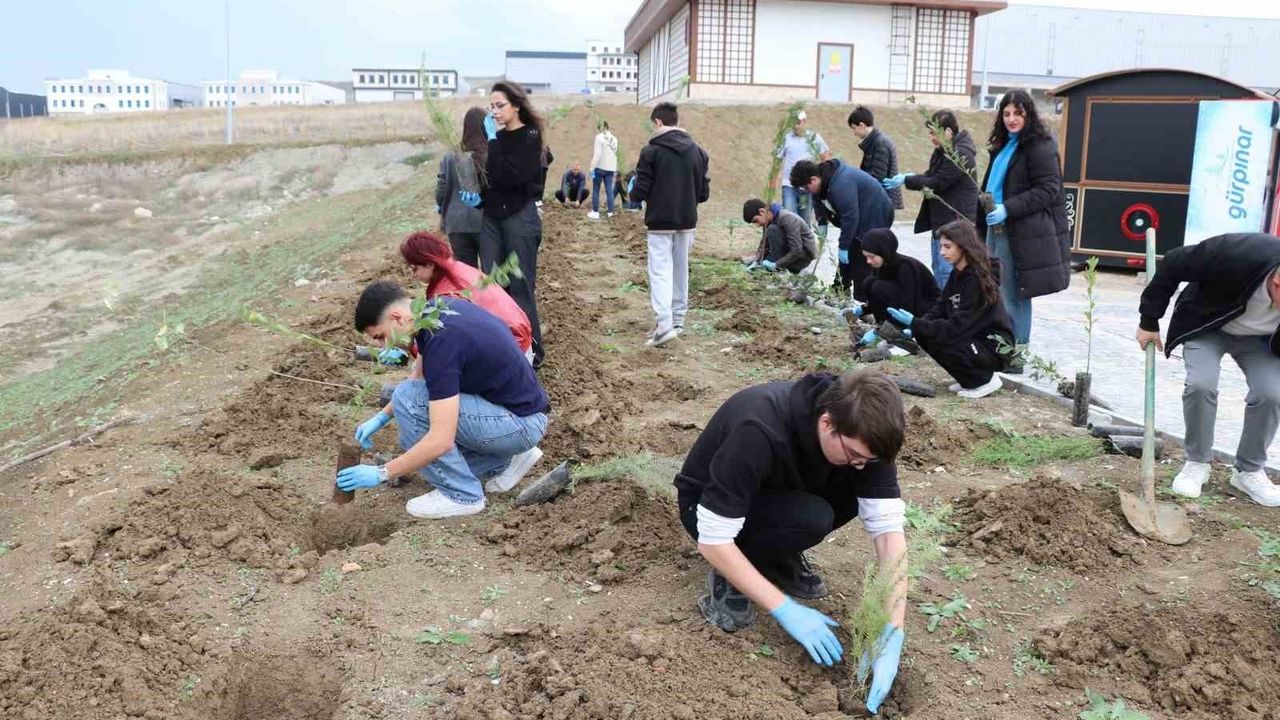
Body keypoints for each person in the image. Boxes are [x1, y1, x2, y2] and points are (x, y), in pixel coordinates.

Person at [674, 369, 908, 713]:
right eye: (855, 454)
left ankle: (774, 550)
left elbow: (889, 535)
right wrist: (784, 608)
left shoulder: (866, 436)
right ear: (828, 423)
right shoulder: (758, 428)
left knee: (847, 497)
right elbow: (713, 540)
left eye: (869, 459)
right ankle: (736, 569)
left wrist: (892, 628)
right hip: (707, 508)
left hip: (774, 493)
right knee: (809, 518)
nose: (862, 465)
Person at [338, 281, 550, 518]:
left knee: (412, 405)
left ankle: (462, 495)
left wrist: (382, 473)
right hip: (518, 412)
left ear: (397, 319)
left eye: (380, 336)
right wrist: (380, 417)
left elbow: (441, 440)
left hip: (518, 424)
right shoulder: (438, 309)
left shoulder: (441, 342)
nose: (381, 345)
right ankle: (505, 460)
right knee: (411, 408)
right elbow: (416, 376)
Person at [1137, 233, 1280, 507]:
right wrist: (1149, 320)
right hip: (1207, 327)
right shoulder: (1238, 253)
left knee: (1272, 393)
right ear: (1276, 282)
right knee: (1201, 384)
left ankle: (1248, 472)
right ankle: (1196, 463)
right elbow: (1173, 263)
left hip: (1262, 341)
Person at [975, 89, 1070, 363]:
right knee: (997, 290)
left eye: (1018, 113)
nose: (1011, 119)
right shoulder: (1005, 144)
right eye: (1006, 113)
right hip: (998, 226)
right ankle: (1003, 348)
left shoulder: (1040, 145)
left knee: (1016, 292)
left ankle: (1018, 354)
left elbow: (1049, 189)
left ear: (1029, 114)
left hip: (1022, 231)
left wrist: (1008, 209)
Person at [461, 81, 552, 367]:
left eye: (500, 105)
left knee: (520, 283)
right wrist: (481, 199)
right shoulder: (498, 140)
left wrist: (492, 141)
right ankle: (501, 348)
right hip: (492, 217)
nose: (495, 111)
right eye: (492, 106)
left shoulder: (530, 136)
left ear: (516, 105)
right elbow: (496, 179)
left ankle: (532, 350)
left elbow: (514, 176)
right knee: (491, 283)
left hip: (518, 218)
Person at [871, 220, 1011, 399]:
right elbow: (941, 307)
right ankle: (968, 379)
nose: (942, 252)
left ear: (963, 247)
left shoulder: (977, 281)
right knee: (924, 333)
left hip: (993, 347)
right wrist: (914, 326)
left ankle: (984, 379)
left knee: (946, 336)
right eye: (941, 246)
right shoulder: (958, 273)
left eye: (947, 246)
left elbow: (958, 326)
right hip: (972, 339)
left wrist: (916, 323)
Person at [630, 101, 710, 348]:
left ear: (657, 122)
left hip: (660, 221)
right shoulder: (698, 152)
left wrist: (634, 192)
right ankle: (678, 319)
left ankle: (663, 325)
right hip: (687, 220)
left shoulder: (650, 151)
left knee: (660, 271)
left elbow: (640, 190)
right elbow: (703, 193)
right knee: (680, 268)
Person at [398, 230, 533, 361]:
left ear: (430, 263)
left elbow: (443, 349)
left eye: (415, 269)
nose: (413, 275)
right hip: (521, 340)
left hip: (511, 352)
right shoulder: (458, 268)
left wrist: (411, 346)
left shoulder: (447, 295)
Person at [882, 109, 978, 289]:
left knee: (946, 272)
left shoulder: (960, 154)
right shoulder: (943, 150)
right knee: (940, 269)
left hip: (954, 222)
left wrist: (908, 179)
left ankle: (951, 311)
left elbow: (937, 182)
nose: (931, 137)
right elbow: (931, 175)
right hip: (942, 221)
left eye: (934, 133)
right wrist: (910, 177)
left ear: (948, 131)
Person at [790, 158, 893, 295]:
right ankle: (839, 289)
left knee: (863, 257)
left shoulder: (841, 184)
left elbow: (850, 217)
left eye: (807, 188)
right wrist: (822, 226)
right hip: (859, 214)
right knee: (850, 252)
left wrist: (843, 245)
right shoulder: (822, 183)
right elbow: (818, 202)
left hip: (876, 213)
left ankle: (863, 299)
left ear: (813, 179)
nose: (808, 192)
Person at [434, 107, 489, 267]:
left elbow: (441, 190)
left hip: (456, 223)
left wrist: (440, 205)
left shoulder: (450, 156)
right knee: (489, 272)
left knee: (465, 272)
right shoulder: (489, 154)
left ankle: (469, 294)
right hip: (484, 222)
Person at [855, 228, 938, 329]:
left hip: (926, 308)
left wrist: (910, 327)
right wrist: (864, 309)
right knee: (869, 283)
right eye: (866, 257)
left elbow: (909, 300)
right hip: (906, 303)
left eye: (872, 257)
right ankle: (881, 325)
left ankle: (896, 328)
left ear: (883, 252)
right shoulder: (881, 265)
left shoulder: (906, 267)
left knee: (879, 287)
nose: (868, 261)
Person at [775, 110, 831, 227]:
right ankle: (792, 243)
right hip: (789, 185)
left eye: (797, 122)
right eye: (792, 123)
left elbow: (825, 156)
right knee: (789, 216)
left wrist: (825, 177)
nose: (795, 126)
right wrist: (772, 180)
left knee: (805, 219)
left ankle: (804, 243)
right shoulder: (786, 139)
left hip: (807, 186)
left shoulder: (814, 138)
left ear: (804, 122)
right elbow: (777, 160)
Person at [848, 106, 903, 212]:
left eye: (854, 128)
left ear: (862, 125)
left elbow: (877, 176)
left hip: (882, 200)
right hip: (879, 198)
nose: (854, 133)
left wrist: (854, 177)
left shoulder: (880, 143)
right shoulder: (874, 142)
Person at [742, 198, 816, 275]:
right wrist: (756, 261)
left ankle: (786, 269)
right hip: (788, 254)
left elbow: (797, 250)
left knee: (772, 229)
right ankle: (776, 266)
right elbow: (765, 244)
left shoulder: (787, 218)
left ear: (762, 211)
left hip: (801, 259)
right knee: (771, 230)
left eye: (756, 221)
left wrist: (775, 265)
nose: (757, 225)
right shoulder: (768, 220)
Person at [588, 121, 619, 219]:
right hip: (611, 168)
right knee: (609, 190)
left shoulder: (599, 137)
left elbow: (597, 154)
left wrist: (592, 167)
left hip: (600, 167)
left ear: (600, 128)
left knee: (596, 189)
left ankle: (595, 212)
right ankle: (610, 212)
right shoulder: (615, 139)